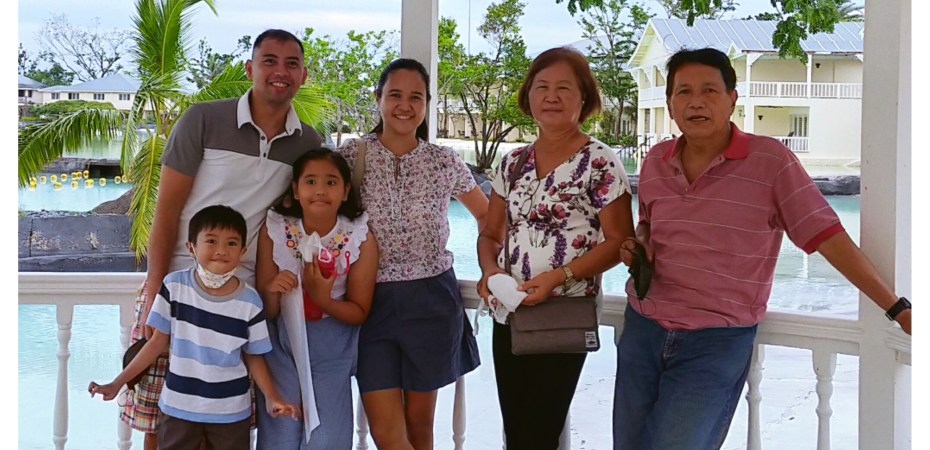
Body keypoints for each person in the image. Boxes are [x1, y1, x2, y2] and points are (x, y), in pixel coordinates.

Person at [612, 47, 912, 450]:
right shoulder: (655, 160)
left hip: (715, 340)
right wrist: (641, 243)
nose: (696, 102)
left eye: (709, 90)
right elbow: (648, 223)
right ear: (670, 104)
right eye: (684, 92)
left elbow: (827, 237)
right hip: (643, 328)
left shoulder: (770, 161)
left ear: (732, 98)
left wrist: (897, 308)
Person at [122, 29, 324, 450]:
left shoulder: (308, 143)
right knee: (160, 420)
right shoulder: (203, 119)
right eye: (269, 61)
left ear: (303, 75)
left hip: (243, 298)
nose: (280, 71)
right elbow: (166, 210)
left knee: (226, 423)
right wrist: (154, 286)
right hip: (179, 287)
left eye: (292, 64)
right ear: (250, 69)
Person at [475, 46, 636, 449]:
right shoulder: (512, 162)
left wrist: (558, 277)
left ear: (584, 98)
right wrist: (489, 272)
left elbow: (620, 241)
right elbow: (491, 233)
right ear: (528, 95)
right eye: (541, 86)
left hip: (565, 311)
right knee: (517, 432)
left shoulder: (599, 161)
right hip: (509, 312)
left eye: (564, 87)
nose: (551, 96)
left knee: (539, 434)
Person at [337, 58, 488, 450]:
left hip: (431, 299)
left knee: (420, 428)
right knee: (386, 432)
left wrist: (491, 269)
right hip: (370, 300)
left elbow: (488, 217)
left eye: (416, 97)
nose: (405, 106)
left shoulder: (443, 160)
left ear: (427, 104)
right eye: (395, 95)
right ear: (378, 98)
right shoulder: (352, 155)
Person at [89, 205, 300, 450]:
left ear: (243, 251)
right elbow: (156, 343)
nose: (221, 250)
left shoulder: (250, 301)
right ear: (191, 248)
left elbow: (254, 356)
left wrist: (272, 397)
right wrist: (118, 383)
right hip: (178, 409)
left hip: (231, 413)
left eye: (232, 243)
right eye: (211, 241)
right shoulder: (174, 287)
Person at [254, 148, 378, 449]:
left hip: (332, 341)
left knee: (327, 435)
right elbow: (267, 310)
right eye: (310, 181)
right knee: (282, 427)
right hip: (281, 340)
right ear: (295, 189)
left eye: (331, 182)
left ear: (345, 191)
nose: (320, 190)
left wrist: (324, 300)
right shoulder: (276, 229)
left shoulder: (358, 237)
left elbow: (360, 311)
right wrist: (272, 289)